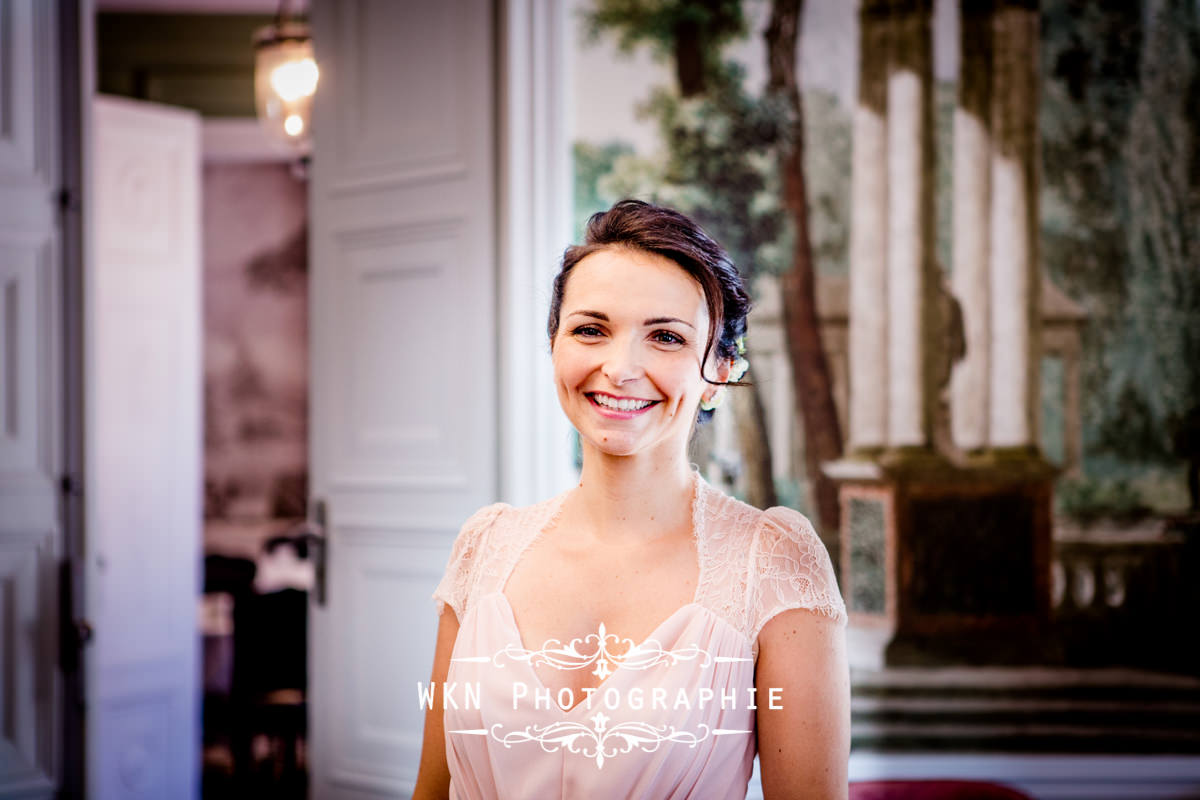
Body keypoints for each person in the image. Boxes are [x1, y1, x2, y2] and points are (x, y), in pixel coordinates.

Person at [413, 200, 848, 799]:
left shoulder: (773, 563)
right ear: (555, 344)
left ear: (719, 369)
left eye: (666, 337)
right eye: (591, 329)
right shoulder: (483, 546)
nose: (620, 368)